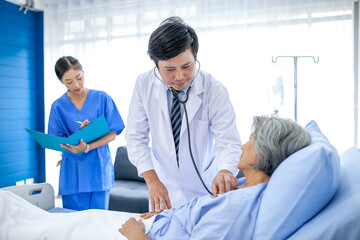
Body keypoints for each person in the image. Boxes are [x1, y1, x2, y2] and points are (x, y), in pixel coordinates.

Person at [119, 116, 312, 239]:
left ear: (266, 151)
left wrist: (135, 234)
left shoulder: (235, 206)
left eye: (251, 140)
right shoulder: (243, 186)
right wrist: (168, 216)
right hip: (154, 224)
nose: (243, 146)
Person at [126, 16, 242, 212]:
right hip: (162, 188)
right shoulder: (144, 85)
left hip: (205, 188)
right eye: (169, 69)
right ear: (156, 66)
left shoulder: (214, 89)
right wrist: (152, 180)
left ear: (195, 58)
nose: (179, 76)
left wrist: (225, 171)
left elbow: (228, 142)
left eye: (187, 66)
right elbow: (136, 137)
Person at [48, 56, 125, 210]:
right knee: (75, 224)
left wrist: (88, 146)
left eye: (79, 78)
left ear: (83, 72)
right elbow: (56, 139)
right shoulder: (58, 106)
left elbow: (113, 132)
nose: (76, 84)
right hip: (73, 172)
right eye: (69, 82)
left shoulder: (102, 98)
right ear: (61, 81)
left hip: (98, 169)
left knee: (99, 224)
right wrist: (77, 140)